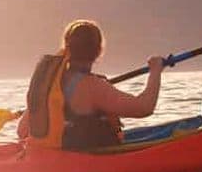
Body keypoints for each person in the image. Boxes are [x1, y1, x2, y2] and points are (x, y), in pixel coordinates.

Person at [17, 19, 164, 150]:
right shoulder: (93, 86)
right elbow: (144, 107)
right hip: (83, 161)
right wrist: (155, 71)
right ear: (99, 50)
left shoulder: (49, 84)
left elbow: (22, 130)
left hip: (50, 157)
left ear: (67, 48)